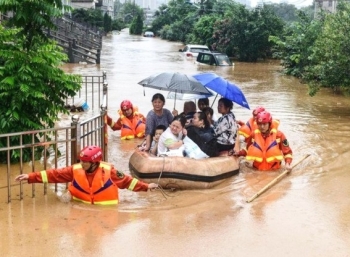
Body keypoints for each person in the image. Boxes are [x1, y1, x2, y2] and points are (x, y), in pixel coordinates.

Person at [14, 146, 159, 205]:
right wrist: (30, 177)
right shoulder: (75, 170)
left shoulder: (110, 172)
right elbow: (54, 174)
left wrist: (147, 187)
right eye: (81, 161)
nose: (82, 164)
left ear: (95, 163)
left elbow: (128, 182)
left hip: (106, 212)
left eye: (85, 162)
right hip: (79, 204)